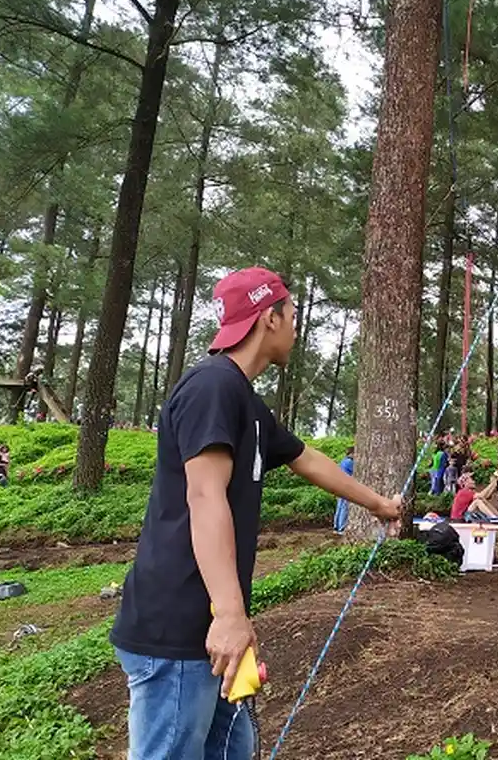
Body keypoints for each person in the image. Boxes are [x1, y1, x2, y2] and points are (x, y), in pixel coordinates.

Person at [108, 267, 402, 760]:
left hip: (210, 633)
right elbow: (204, 497)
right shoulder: (212, 388)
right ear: (270, 317)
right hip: (179, 630)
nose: (295, 328)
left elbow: (307, 459)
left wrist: (379, 506)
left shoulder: (245, 398)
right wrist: (229, 614)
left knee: (234, 747)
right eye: (292, 316)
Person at [332, 446, 355, 534]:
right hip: (346, 487)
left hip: (339, 486)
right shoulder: (350, 462)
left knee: (339, 506)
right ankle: (342, 528)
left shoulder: (343, 461)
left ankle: (336, 527)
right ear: (351, 454)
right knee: (344, 507)